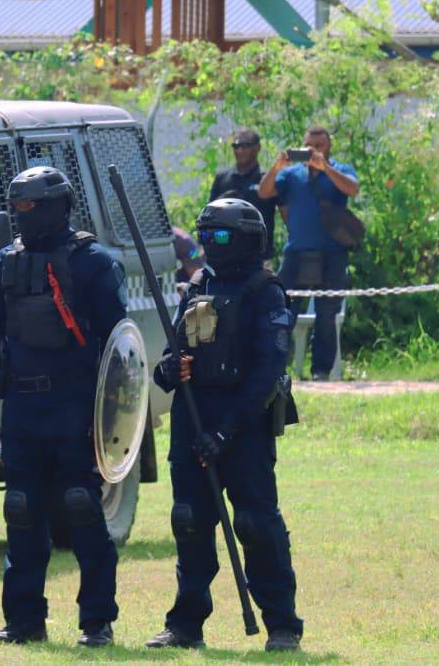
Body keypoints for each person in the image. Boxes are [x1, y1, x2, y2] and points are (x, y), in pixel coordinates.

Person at [0, 165, 126, 648]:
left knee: (81, 506)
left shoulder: (94, 262)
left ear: (57, 206)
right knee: (20, 509)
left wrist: (109, 415)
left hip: (76, 405)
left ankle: (96, 621)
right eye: (17, 206)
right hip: (22, 405)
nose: (22, 215)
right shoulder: (4, 262)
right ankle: (23, 620)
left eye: (31, 206)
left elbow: (119, 348)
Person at [146, 198, 302, 653]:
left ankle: (282, 625)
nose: (209, 245)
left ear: (246, 239)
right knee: (189, 520)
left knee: (254, 523)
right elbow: (171, 357)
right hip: (193, 417)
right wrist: (170, 368)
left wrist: (226, 433)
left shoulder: (265, 291)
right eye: (204, 236)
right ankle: (185, 625)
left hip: (244, 422)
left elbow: (268, 371)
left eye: (218, 236)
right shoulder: (198, 285)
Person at [257, 125, 359, 380]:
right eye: (309, 146)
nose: (313, 150)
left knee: (326, 315)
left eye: (319, 145)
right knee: (282, 310)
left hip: (333, 254)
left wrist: (326, 168)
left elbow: (353, 189)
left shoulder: (340, 169)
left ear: (329, 147)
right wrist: (277, 166)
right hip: (296, 252)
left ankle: (320, 372)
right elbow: (264, 192)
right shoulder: (291, 174)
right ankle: (276, 368)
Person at [209, 128, 278, 261]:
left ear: (258, 147)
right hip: (226, 255)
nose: (239, 150)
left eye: (245, 146)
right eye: (236, 146)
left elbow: (286, 212)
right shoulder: (222, 178)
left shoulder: (266, 180)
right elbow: (209, 215)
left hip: (260, 256)